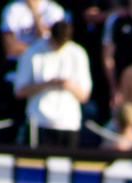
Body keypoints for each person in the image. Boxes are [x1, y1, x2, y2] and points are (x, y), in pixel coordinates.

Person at [14, 17, 92, 148]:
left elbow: (84, 95)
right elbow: (19, 91)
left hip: (68, 124)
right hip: (39, 122)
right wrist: (48, 84)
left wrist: (68, 85)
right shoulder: (32, 53)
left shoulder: (78, 54)